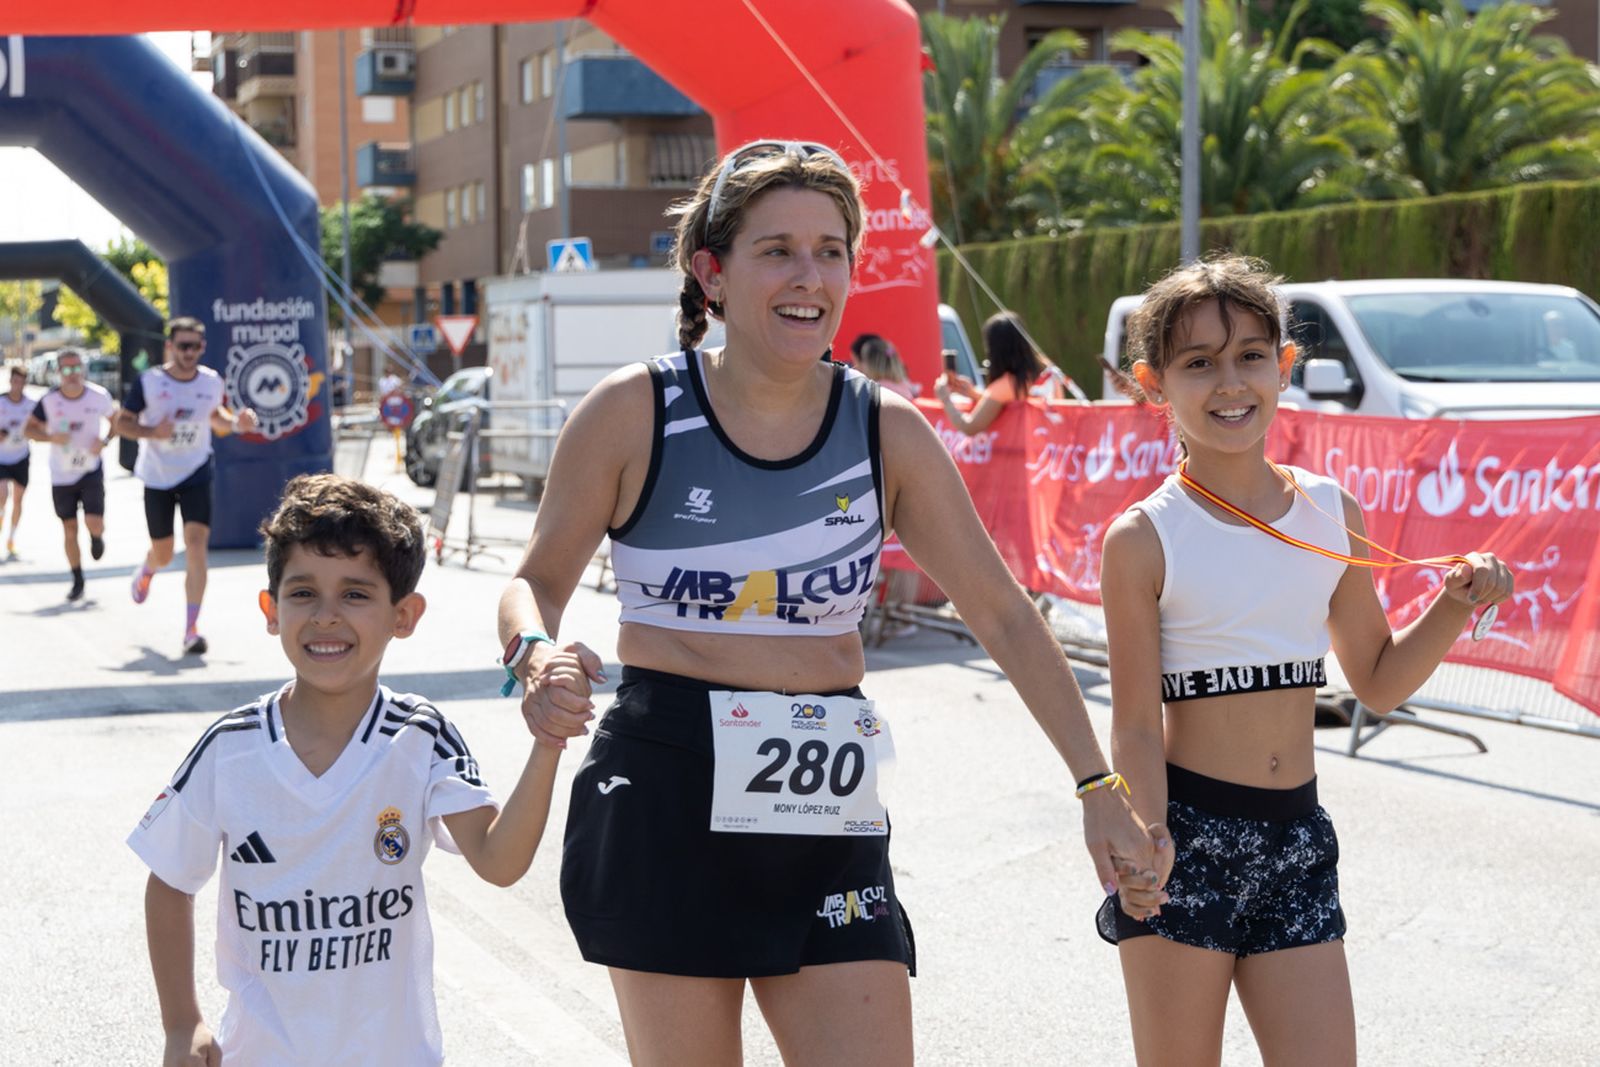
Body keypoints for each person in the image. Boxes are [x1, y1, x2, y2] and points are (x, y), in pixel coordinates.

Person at [496, 139, 1160, 1066]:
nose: (809, 275)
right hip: (667, 775)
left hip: (822, 783)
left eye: (830, 250)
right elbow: (534, 581)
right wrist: (533, 653)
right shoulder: (633, 410)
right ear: (712, 273)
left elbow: (1005, 615)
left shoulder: (884, 426)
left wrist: (1099, 784)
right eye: (776, 250)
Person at [1097, 254, 1514, 1067]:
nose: (1230, 382)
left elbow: (1380, 679)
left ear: (1284, 367)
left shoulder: (1331, 511)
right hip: (1188, 842)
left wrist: (1457, 602)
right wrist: (1147, 840)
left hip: (1298, 842)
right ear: (1153, 383)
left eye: (1251, 355)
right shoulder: (1143, 538)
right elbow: (1136, 727)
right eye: (1198, 363)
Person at [127, 474, 561, 1067]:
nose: (326, 617)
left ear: (403, 615)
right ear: (271, 610)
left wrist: (548, 743)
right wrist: (183, 1023)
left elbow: (498, 860)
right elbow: (171, 881)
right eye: (303, 593)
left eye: (355, 595)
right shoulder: (230, 750)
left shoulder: (419, 735)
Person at [118, 317, 258, 656]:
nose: (189, 353)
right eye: (183, 346)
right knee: (165, 553)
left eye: (195, 347)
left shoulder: (211, 381)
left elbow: (216, 419)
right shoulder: (149, 382)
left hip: (196, 470)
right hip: (157, 476)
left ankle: (191, 629)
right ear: (170, 347)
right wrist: (152, 433)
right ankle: (149, 567)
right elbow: (122, 422)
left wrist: (237, 424)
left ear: (202, 348)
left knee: (197, 543)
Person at [24, 347, 118, 601]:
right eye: (67, 369)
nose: (73, 374)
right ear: (58, 372)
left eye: (77, 368)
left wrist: (106, 440)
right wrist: (50, 436)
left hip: (90, 469)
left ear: (83, 369)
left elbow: (117, 419)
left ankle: (97, 537)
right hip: (61, 474)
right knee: (69, 528)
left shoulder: (99, 396)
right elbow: (29, 430)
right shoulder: (49, 401)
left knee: (93, 522)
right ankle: (77, 578)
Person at [935, 311, 1074, 435]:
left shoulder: (1008, 385)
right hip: (1056, 452)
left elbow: (970, 426)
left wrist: (945, 398)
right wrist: (974, 394)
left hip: (1026, 459)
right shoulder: (1047, 371)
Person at [1, 362, 32, 558]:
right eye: (14, 381)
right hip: (1, 457)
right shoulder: (1, 402)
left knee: (19, 500)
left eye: (20, 381)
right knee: (2, 494)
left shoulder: (31, 405)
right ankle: (1, 515)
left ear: (24, 384)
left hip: (21, 456)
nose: (16, 385)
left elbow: (41, 426)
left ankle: (11, 538)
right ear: (10, 381)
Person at [848, 333, 915, 398]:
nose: (855, 367)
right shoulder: (906, 386)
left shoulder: (874, 391)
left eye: (854, 361)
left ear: (870, 364)